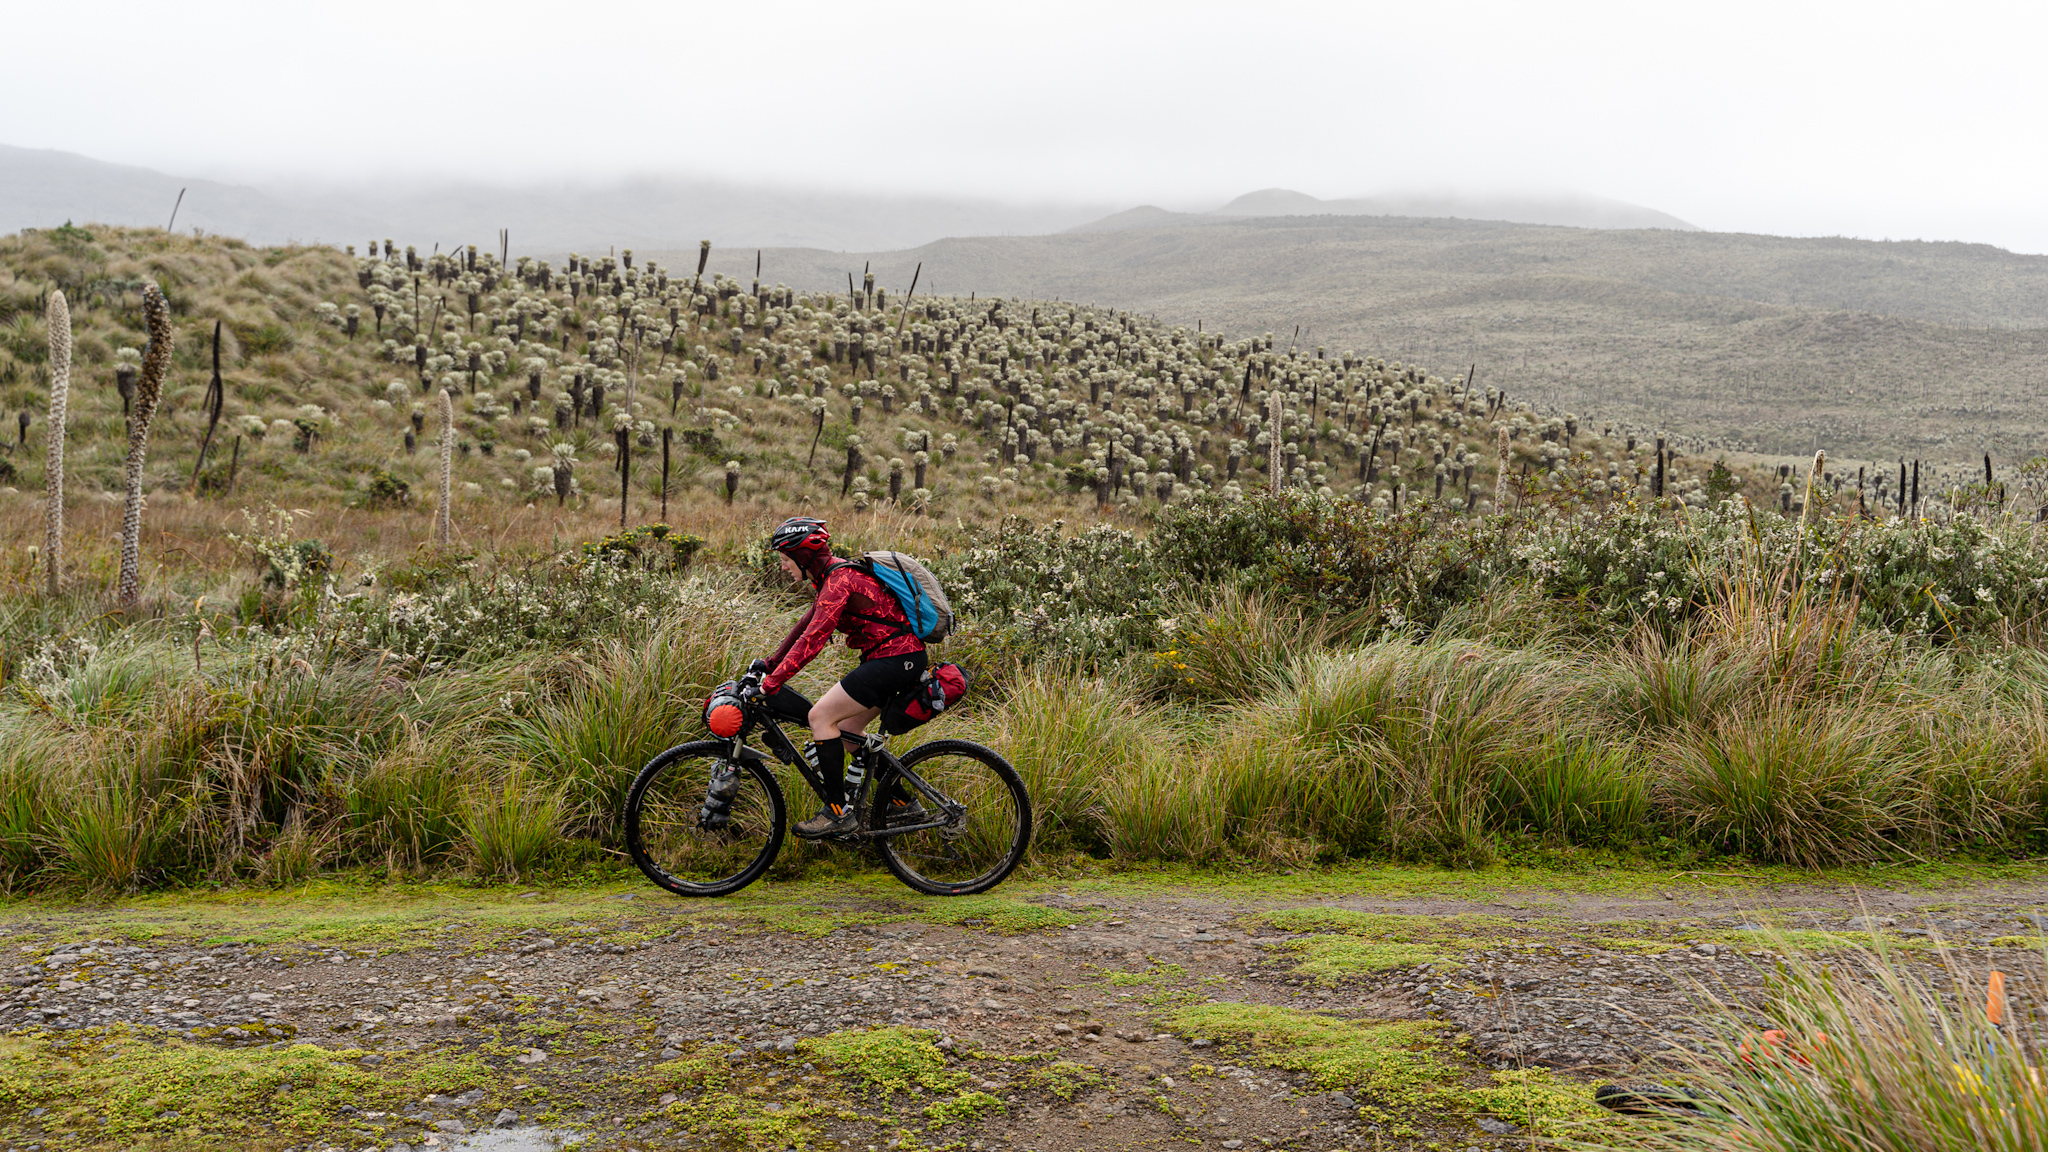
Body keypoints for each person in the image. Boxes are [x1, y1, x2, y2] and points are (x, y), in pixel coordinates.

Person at [757, 516, 926, 836]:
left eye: (784, 559)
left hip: (896, 659)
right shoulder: (831, 577)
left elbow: (814, 639)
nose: (782, 567)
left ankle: (837, 813)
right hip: (897, 659)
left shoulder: (839, 580)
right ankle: (905, 805)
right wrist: (770, 663)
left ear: (803, 557)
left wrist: (772, 683)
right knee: (848, 731)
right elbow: (805, 625)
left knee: (820, 717)